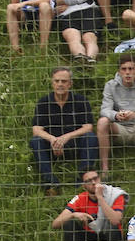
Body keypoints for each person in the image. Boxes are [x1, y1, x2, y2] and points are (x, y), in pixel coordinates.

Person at [30, 66, 98, 195]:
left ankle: (82, 182)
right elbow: (37, 130)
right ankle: (51, 184)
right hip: (51, 146)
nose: (60, 84)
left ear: (70, 84)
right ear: (52, 83)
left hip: (74, 144)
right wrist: (53, 140)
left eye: (64, 81)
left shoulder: (80, 100)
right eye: (57, 81)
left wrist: (66, 137)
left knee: (90, 137)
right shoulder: (43, 102)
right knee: (36, 141)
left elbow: (88, 127)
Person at [54, 171, 127, 241]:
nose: (93, 182)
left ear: (100, 179)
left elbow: (115, 220)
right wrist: (74, 214)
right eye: (89, 181)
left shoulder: (114, 194)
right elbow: (55, 224)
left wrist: (100, 198)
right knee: (69, 223)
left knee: (112, 227)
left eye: (95, 178)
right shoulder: (80, 198)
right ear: (84, 185)